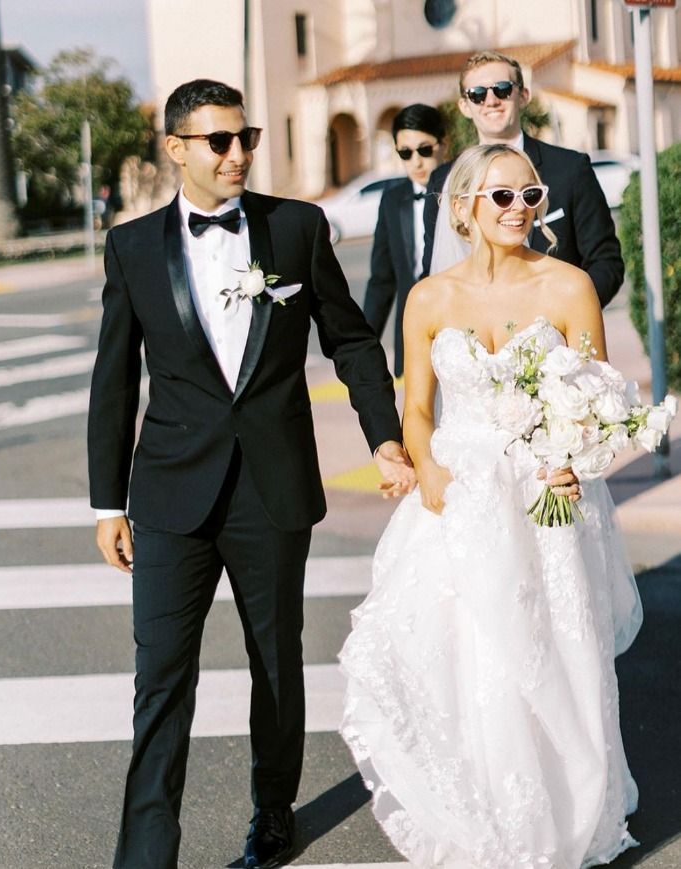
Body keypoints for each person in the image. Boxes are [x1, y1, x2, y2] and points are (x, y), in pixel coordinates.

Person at [87, 78, 415, 869]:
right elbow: (113, 381)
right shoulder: (131, 248)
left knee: (275, 661)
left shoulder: (296, 228)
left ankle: (274, 809)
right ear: (176, 149)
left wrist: (384, 438)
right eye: (219, 142)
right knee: (161, 678)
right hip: (169, 493)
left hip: (271, 487)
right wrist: (108, 502)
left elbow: (353, 339)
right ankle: (143, 853)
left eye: (247, 138)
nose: (238, 155)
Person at [340, 143, 642, 868]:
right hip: (461, 496)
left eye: (531, 196)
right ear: (465, 208)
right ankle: (491, 816)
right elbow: (415, 406)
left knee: (553, 655)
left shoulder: (569, 286)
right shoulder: (429, 298)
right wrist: (424, 464)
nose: (519, 210)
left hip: (547, 501)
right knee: (473, 658)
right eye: (502, 197)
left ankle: (570, 810)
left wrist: (574, 459)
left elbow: (599, 401)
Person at [421, 51, 624, 309]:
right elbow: (435, 272)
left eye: (503, 89)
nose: (491, 100)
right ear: (464, 106)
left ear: (523, 95)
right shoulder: (444, 181)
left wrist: (564, 319)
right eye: (478, 94)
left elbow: (606, 262)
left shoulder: (570, 169)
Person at [363, 104, 446, 377]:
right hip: (412, 338)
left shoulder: (467, 194)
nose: (416, 162)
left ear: (443, 145)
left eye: (424, 150)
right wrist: (363, 346)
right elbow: (382, 279)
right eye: (405, 153)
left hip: (461, 328)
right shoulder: (391, 200)